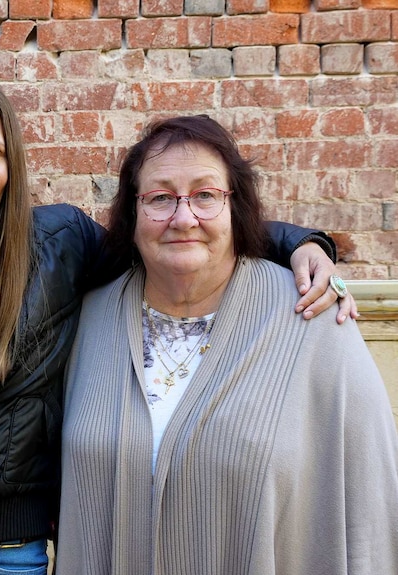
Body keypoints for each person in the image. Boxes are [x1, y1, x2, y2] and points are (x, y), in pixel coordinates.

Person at [0, 77, 352, 575]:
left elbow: (172, 234)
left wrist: (302, 243)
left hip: (6, 555)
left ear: (11, 166)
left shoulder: (61, 245)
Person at [56, 115, 398, 574]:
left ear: (235, 207)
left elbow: (371, 501)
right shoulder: (90, 319)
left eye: (205, 195)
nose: (183, 217)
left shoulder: (314, 317)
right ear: (132, 215)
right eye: (160, 197)